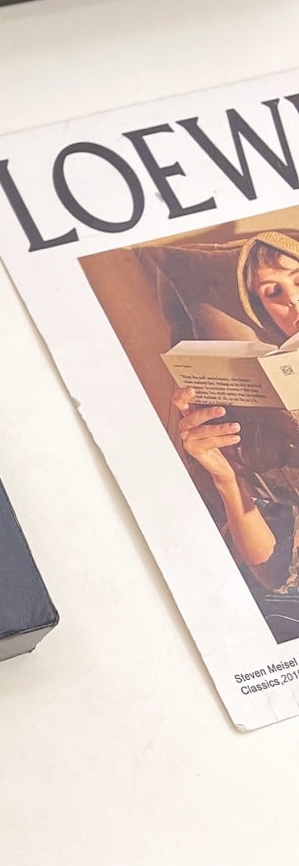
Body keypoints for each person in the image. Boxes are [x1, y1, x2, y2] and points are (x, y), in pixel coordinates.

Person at [173, 231, 299, 633]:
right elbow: (276, 575)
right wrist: (226, 477)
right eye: (273, 292)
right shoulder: (264, 423)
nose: (294, 303)